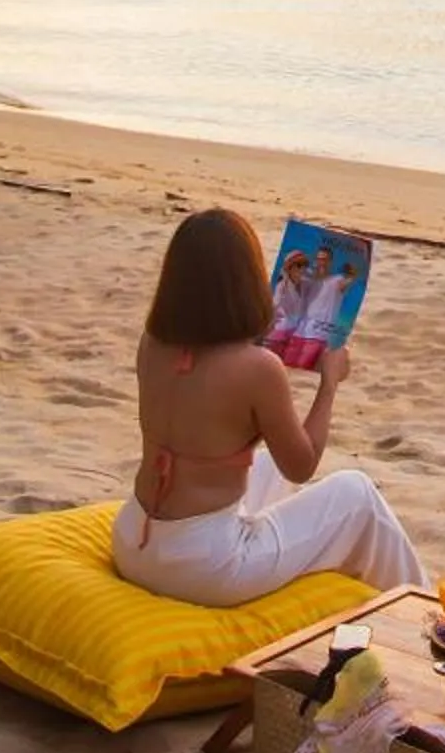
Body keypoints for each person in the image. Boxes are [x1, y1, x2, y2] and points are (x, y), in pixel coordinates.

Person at [110, 207, 426, 603]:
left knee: (268, 465)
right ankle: (428, 612)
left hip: (132, 541)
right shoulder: (257, 368)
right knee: (357, 493)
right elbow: (302, 464)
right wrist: (329, 383)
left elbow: (211, 416)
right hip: (203, 567)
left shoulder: (153, 343)